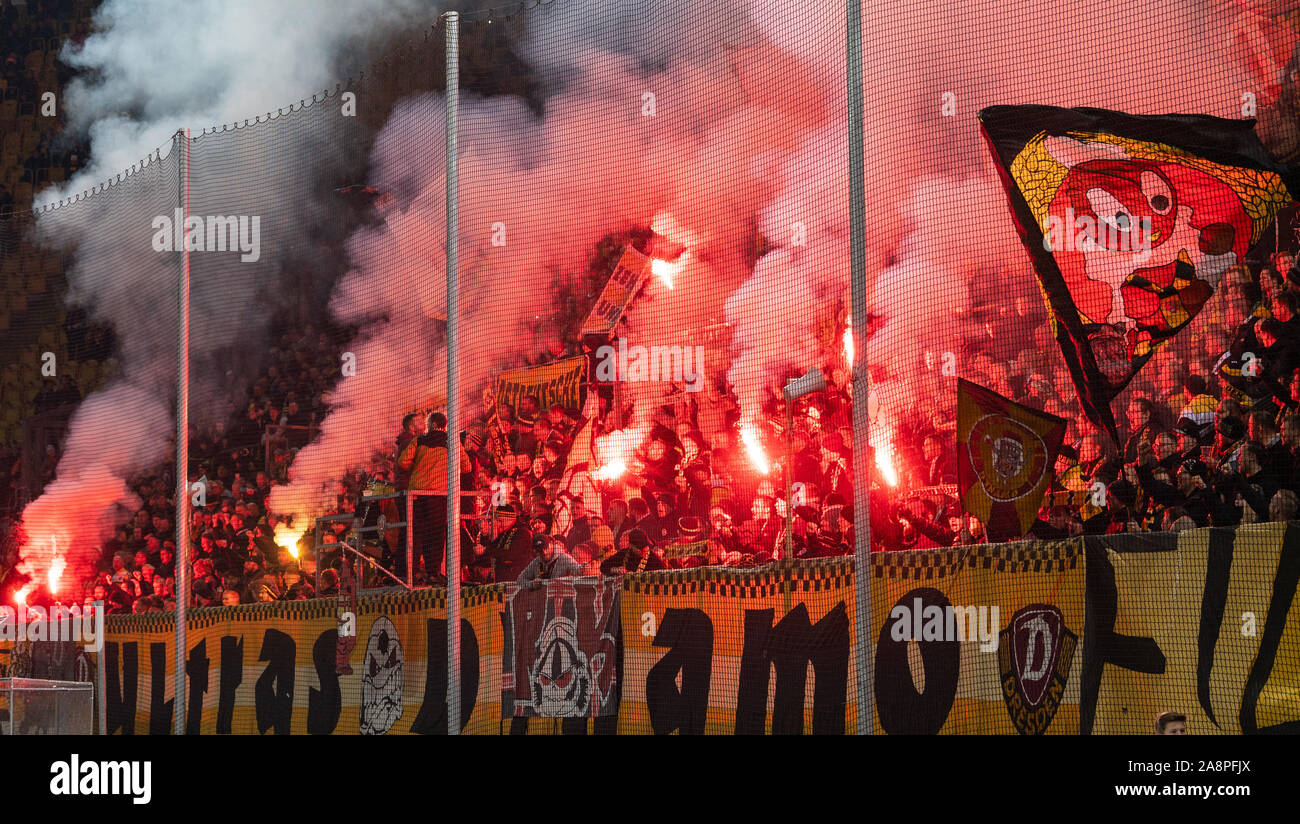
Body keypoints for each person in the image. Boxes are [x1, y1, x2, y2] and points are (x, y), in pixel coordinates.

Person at [397, 411, 468, 584]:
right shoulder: (452, 441)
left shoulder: (418, 440)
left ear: (430, 425)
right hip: (439, 495)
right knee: (436, 535)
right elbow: (467, 467)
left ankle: (410, 574)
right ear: (444, 425)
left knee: (415, 534)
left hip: (418, 495)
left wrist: (420, 464)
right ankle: (433, 573)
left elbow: (403, 463)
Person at [517, 535, 582, 585]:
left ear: (551, 543)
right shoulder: (536, 562)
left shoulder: (564, 558)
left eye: (546, 547)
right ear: (535, 551)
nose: (544, 552)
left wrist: (583, 569)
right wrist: (532, 584)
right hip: (541, 600)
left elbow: (578, 571)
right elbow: (520, 579)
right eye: (540, 550)